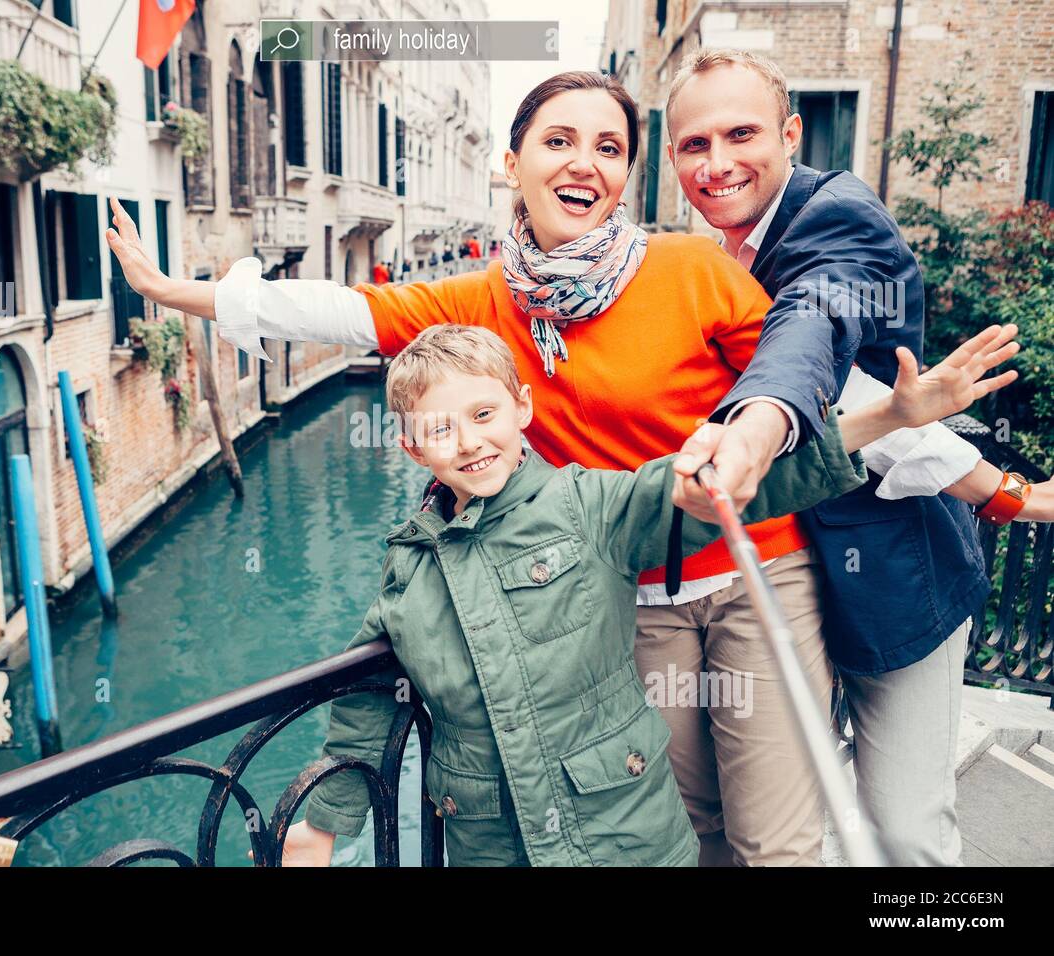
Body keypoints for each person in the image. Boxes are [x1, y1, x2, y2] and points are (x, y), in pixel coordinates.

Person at [101, 69, 1037, 864]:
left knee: (777, 837)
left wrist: (994, 487)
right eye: (558, 141)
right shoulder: (484, 296)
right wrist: (166, 290)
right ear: (513, 162)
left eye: (608, 147)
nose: (582, 162)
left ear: (627, 174)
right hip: (636, 595)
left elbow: (812, 382)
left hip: (761, 573)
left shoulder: (691, 271)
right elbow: (339, 311)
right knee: (692, 822)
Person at [277, 322, 1010, 866]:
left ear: (522, 410)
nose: (469, 442)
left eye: (483, 414)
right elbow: (369, 703)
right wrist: (326, 823)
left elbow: (743, 485)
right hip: (489, 840)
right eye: (440, 428)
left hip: (622, 830)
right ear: (410, 446)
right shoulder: (407, 565)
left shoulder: (588, 505)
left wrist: (889, 417)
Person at [663, 48, 1054, 865]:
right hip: (773, 594)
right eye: (694, 145)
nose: (718, 163)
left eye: (741, 134)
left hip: (891, 586)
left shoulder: (837, 218)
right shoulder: (698, 260)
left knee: (905, 829)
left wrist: (1006, 492)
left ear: (791, 133)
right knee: (785, 825)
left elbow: (813, 332)